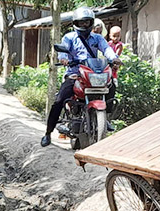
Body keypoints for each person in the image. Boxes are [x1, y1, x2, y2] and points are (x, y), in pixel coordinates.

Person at [41, 7, 121, 147]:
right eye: (81, 22)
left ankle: (105, 117)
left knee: (111, 85)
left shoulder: (97, 38)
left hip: (92, 73)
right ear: (75, 23)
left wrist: (114, 58)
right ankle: (48, 133)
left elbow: (106, 49)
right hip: (75, 74)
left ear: (91, 22)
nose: (84, 25)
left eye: (87, 22)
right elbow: (64, 48)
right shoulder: (69, 37)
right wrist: (64, 58)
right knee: (59, 99)